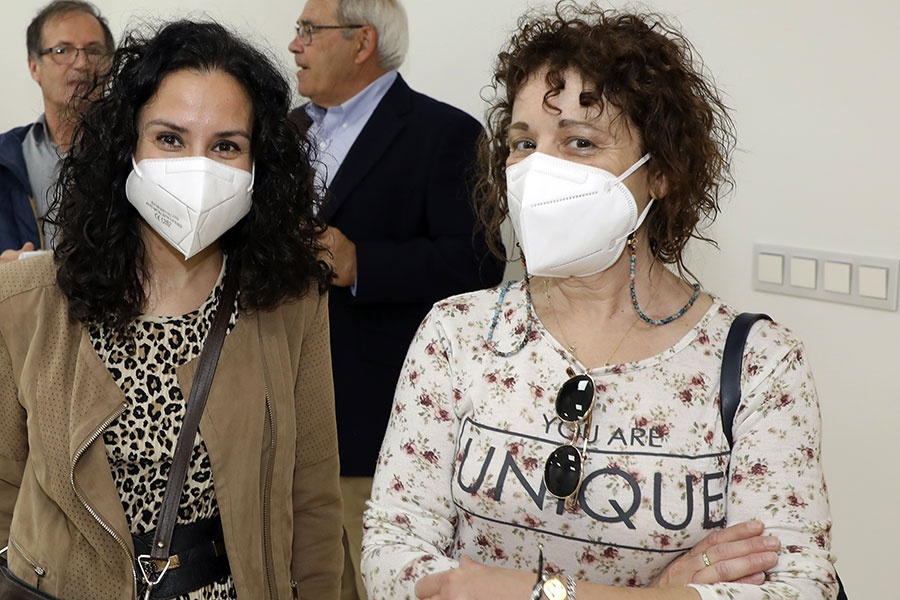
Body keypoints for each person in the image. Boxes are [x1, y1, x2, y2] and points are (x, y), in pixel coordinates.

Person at [362, 3, 839, 600]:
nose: (538, 169)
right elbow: (391, 552)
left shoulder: (759, 363)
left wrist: (531, 592)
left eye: (580, 142)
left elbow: (799, 586)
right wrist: (661, 596)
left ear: (660, 172)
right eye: (523, 142)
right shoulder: (456, 332)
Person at [0, 19, 342, 600]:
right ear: (126, 147)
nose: (197, 167)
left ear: (258, 166)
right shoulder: (27, 299)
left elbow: (311, 500)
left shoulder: (290, 302)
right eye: (170, 139)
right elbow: (4, 485)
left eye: (226, 146)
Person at [287, 1, 505, 599]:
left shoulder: (446, 134)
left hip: (377, 424)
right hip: (283, 416)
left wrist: (363, 264)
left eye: (309, 30)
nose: (295, 45)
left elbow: (479, 263)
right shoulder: (284, 131)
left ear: (362, 42)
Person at [0, 0, 114, 262]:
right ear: (34, 67)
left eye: (94, 51)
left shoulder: (132, 154)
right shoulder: (5, 158)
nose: (82, 63)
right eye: (63, 50)